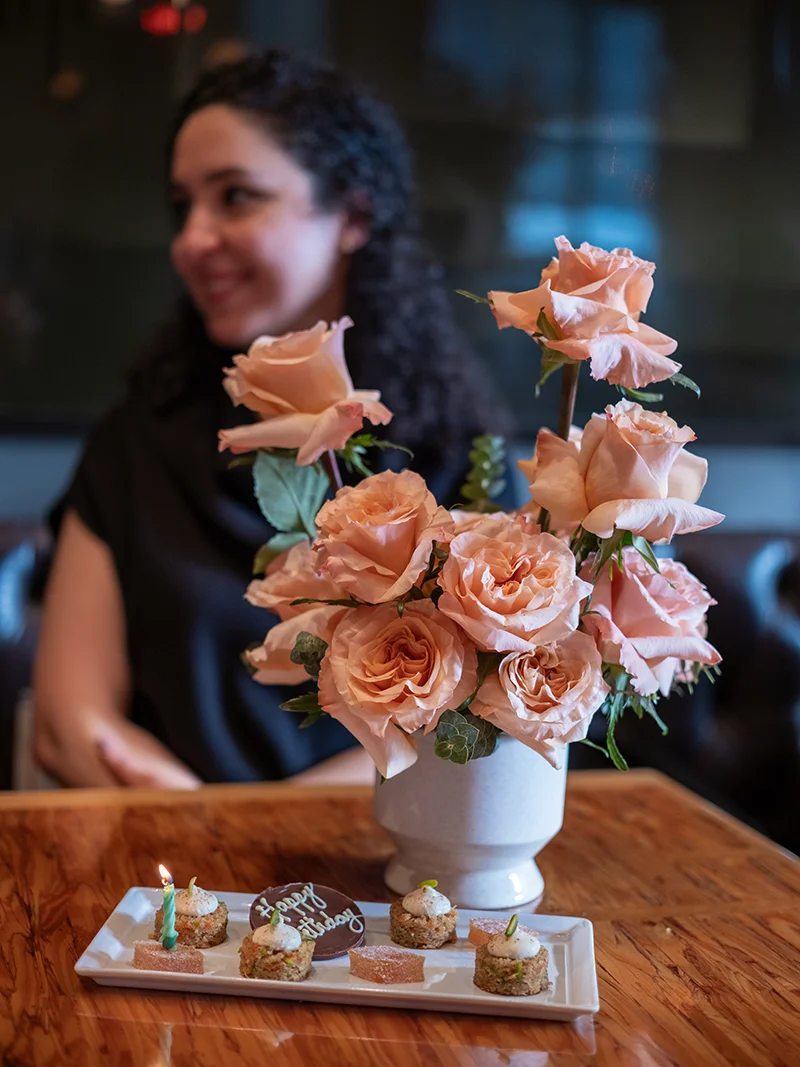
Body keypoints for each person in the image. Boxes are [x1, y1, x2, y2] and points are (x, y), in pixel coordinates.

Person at [33, 49, 510, 790]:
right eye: (183, 205)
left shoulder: (461, 457)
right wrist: (201, 838)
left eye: (236, 197)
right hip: (170, 882)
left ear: (351, 215)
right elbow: (70, 724)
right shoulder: (136, 442)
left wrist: (267, 837)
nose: (191, 239)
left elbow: (479, 726)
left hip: (386, 883)